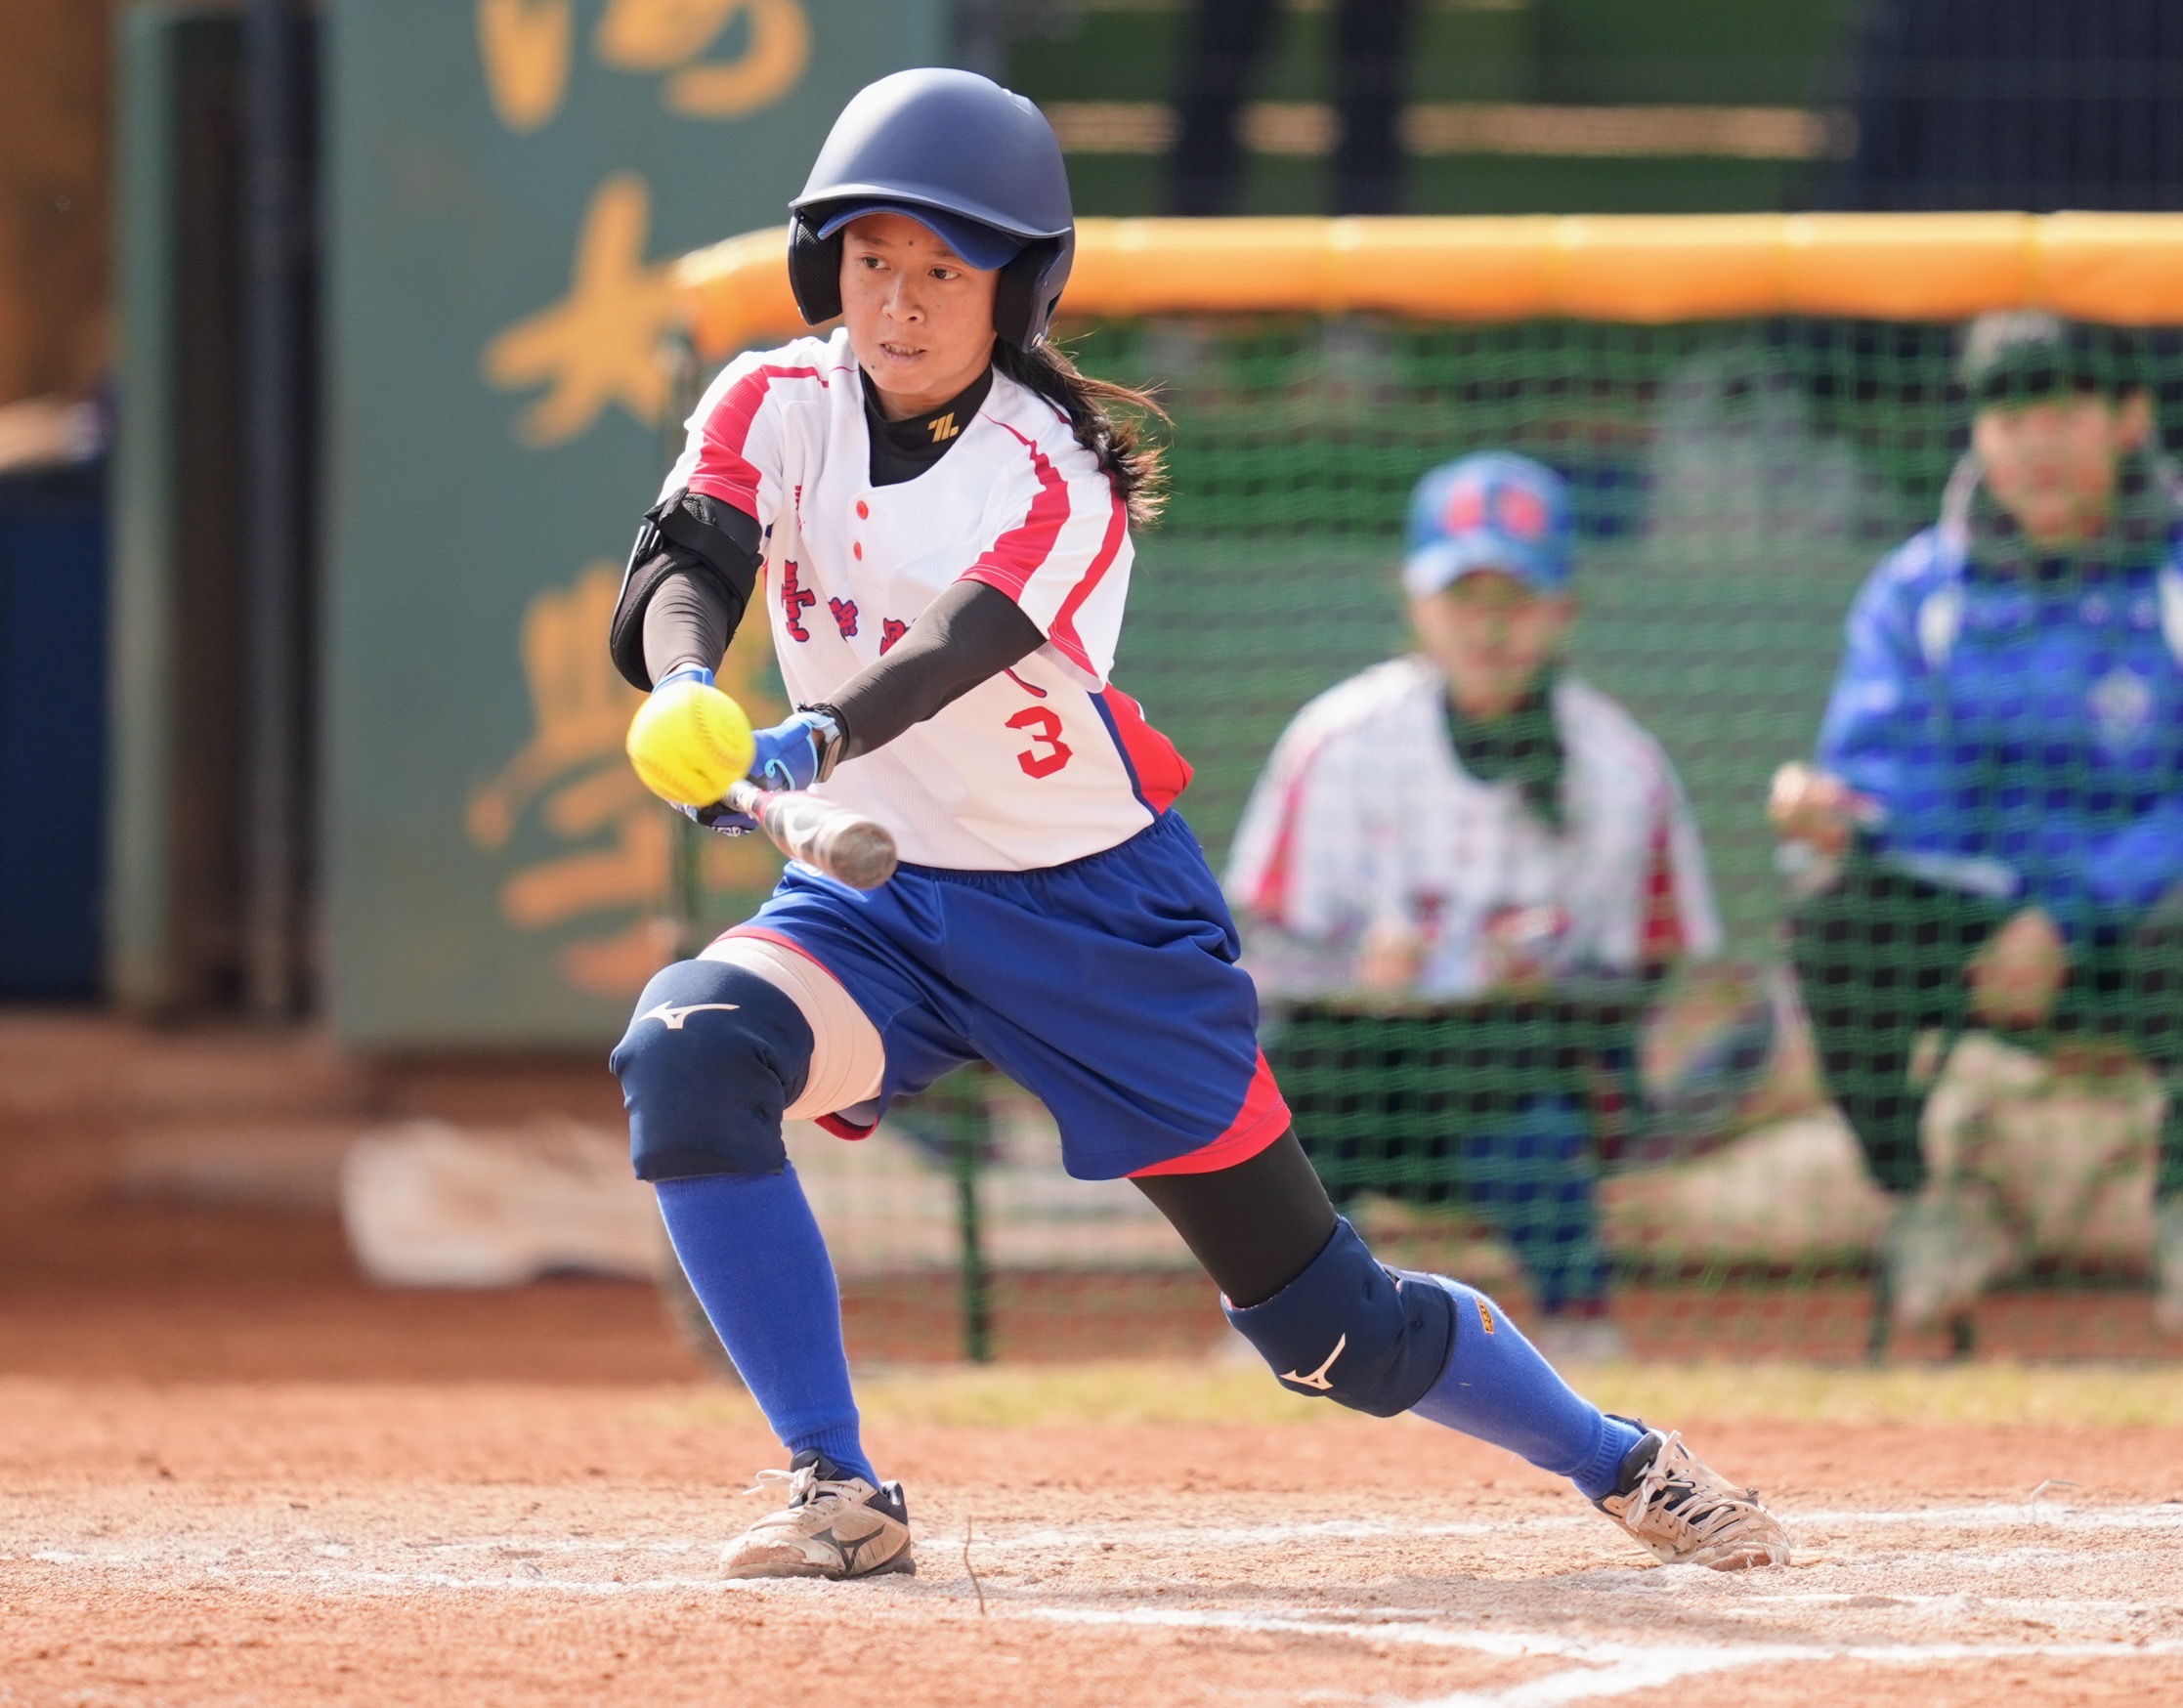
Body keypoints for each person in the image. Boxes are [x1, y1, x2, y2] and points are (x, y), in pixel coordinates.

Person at [607, 68, 1785, 1582]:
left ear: (1013, 290)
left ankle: (1622, 1458)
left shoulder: (1056, 471)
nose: (897, 302)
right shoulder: (775, 399)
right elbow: (681, 562)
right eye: (871, 259)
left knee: (1324, 1331)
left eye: (943, 270)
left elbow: (959, 642)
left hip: (1094, 917)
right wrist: (693, 679)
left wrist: (811, 735)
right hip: (881, 907)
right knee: (689, 1048)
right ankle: (837, 1484)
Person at [1227, 454, 1723, 1359]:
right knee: (1290, 1072)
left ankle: (1580, 1322)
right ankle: (1283, 1326)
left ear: (1563, 607)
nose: (1488, 627)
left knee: (1497, 1057)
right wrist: (1356, 969)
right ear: (1413, 601)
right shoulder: (1337, 743)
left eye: (1515, 599)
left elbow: (1649, 971)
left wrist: (1547, 979)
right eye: (1464, 596)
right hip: (1363, 1072)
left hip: (1529, 1078)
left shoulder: (1619, 766)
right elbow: (1254, 952)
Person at [1772, 312, 2183, 1336]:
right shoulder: (1916, 591)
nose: (2033, 440)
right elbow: (1891, 776)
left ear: (2127, 418)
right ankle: (1926, 1196)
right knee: (1833, 915)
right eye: (2007, 413)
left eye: (2061, 408)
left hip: (2136, 925)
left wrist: (2064, 914)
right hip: (1974, 932)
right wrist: (1839, 814)